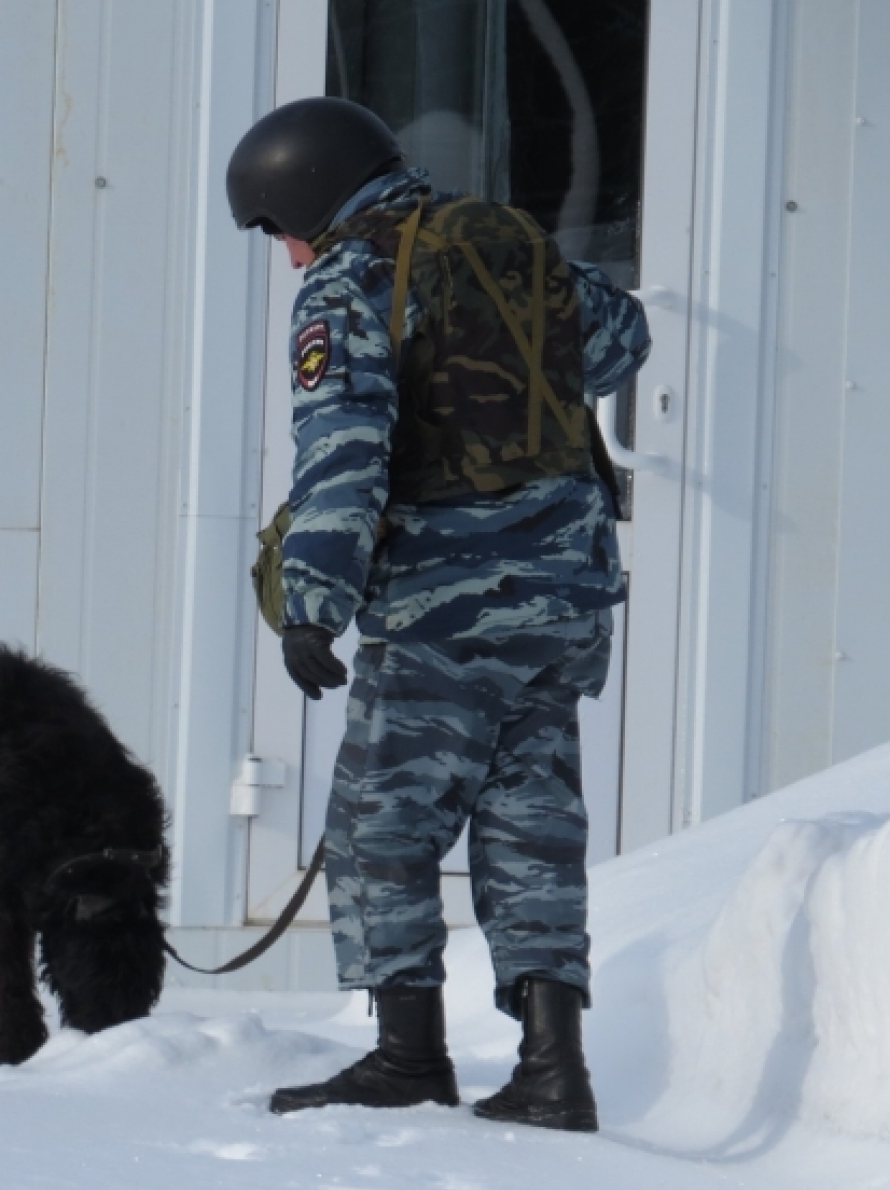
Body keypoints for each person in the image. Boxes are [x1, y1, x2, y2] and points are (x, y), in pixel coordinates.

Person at [226, 97, 651, 1131]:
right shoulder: (506, 239)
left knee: (380, 821)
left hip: (445, 602)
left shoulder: (350, 276)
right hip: (566, 593)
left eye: (280, 229)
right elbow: (618, 341)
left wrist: (310, 608)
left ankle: (408, 1054)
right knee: (532, 824)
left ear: (312, 196)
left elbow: (343, 455)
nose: (287, 258)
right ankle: (555, 1066)